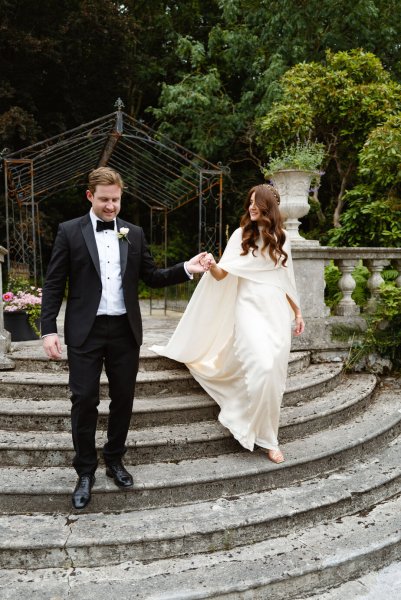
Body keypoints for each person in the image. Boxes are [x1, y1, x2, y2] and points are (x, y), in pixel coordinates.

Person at [41, 166, 209, 509]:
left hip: (124, 330)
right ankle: (85, 470)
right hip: (85, 331)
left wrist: (187, 268)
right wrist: (48, 329)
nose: (111, 206)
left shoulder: (133, 232)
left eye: (115, 199)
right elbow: (54, 283)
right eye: (104, 200)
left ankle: (114, 459)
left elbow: (151, 275)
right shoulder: (69, 232)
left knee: (124, 399)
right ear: (90, 196)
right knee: (84, 399)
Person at [151, 183, 305, 464]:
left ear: (268, 206)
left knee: (274, 375)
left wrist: (297, 313)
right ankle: (246, 424)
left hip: (275, 311)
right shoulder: (240, 235)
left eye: (257, 202)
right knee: (263, 364)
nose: (251, 206)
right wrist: (211, 263)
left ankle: (269, 437)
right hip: (247, 308)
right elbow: (224, 275)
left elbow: (287, 279)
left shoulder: (282, 239)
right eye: (249, 202)